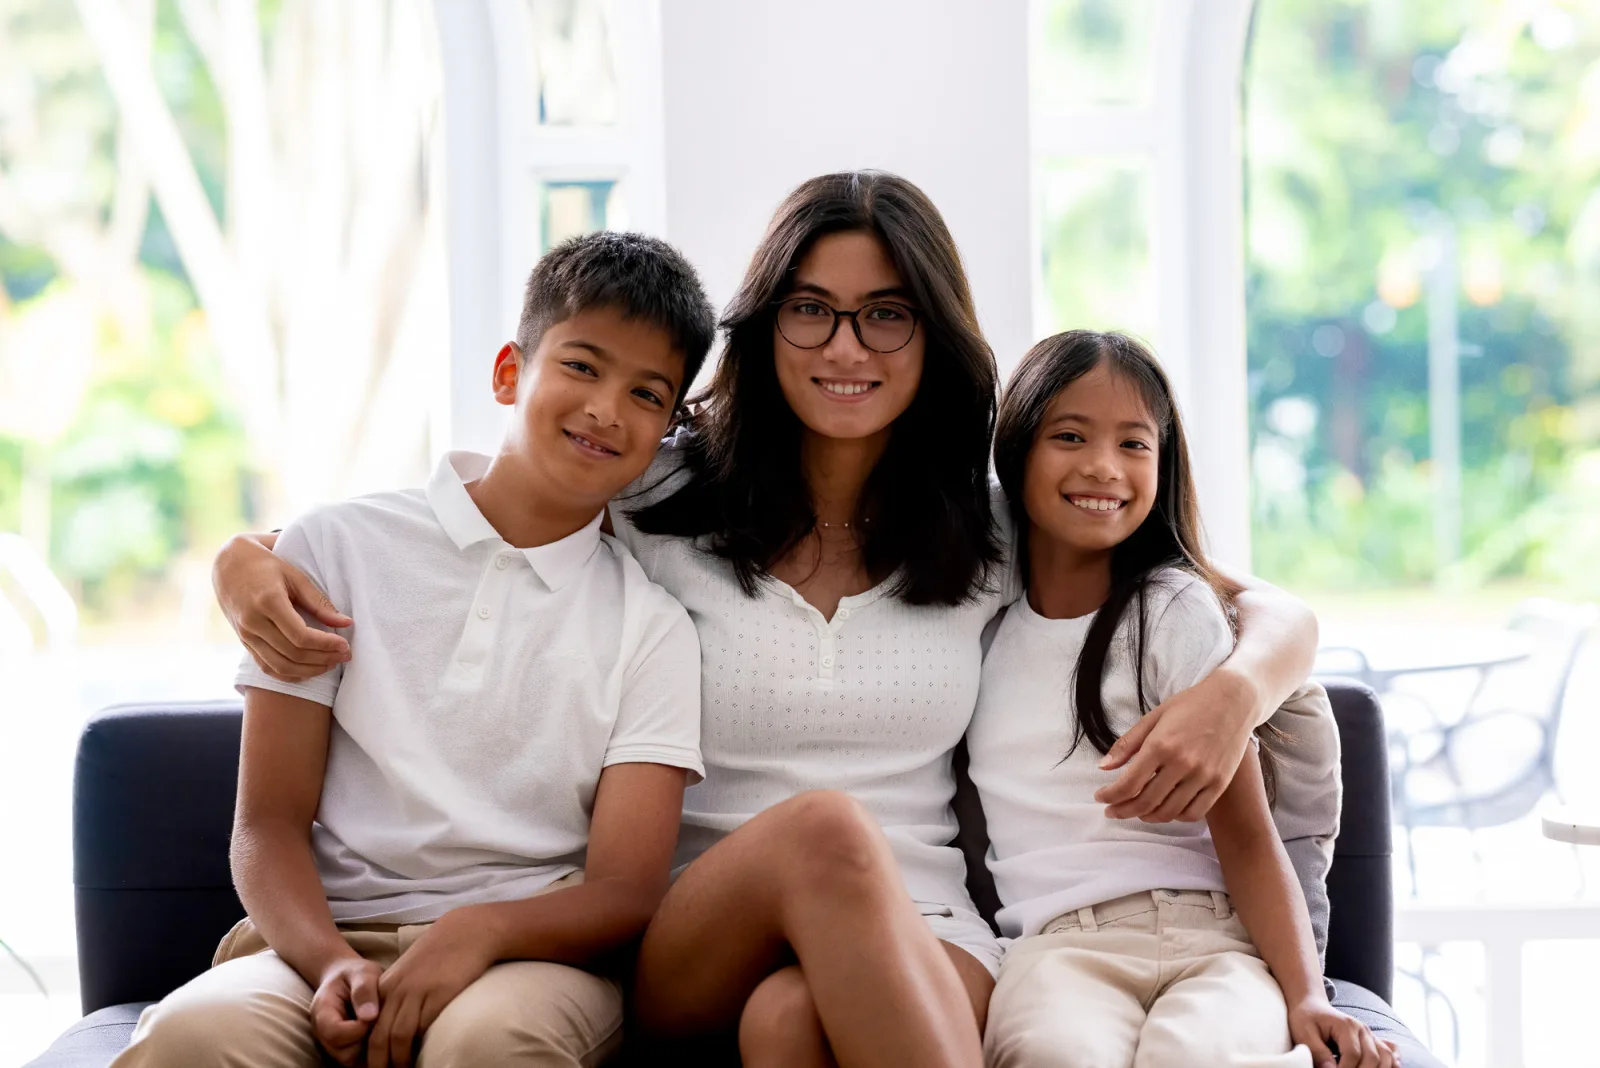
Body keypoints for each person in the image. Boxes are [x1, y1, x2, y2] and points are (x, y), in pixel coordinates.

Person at [211, 172, 1324, 1068]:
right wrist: (244, 560)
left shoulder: (983, 531)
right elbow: (477, 511)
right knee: (823, 830)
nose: (847, 349)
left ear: (932, 337)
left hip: (926, 928)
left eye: (886, 316)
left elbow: (1252, 602)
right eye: (812, 311)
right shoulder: (661, 489)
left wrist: (1232, 694)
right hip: (698, 926)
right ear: (766, 326)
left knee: (790, 1023)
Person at [117, 232, 716, 1068]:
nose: (607, 410)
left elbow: (625, 890)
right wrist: (330, 963)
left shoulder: (652, 627)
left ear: (665, 429)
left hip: (529, 958)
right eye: (582, 366)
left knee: (490, 1044)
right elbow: (266, 825)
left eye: (647, 394)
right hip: (317, 941)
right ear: (511, 372)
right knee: (196, 1036)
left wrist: (482, 931)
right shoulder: (335, 549)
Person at [970, 330, 1394, 1068]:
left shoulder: (1174, 609)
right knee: (1055, 1055)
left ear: (1164, 466)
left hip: (1215, 941)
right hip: (1057, 949)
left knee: (1199, 1057)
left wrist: (1305, 994)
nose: (1103, 467)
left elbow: (1250, 838)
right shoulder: (977, 626)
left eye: (1135, 444)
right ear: (1017, 451)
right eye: (1069, 436)